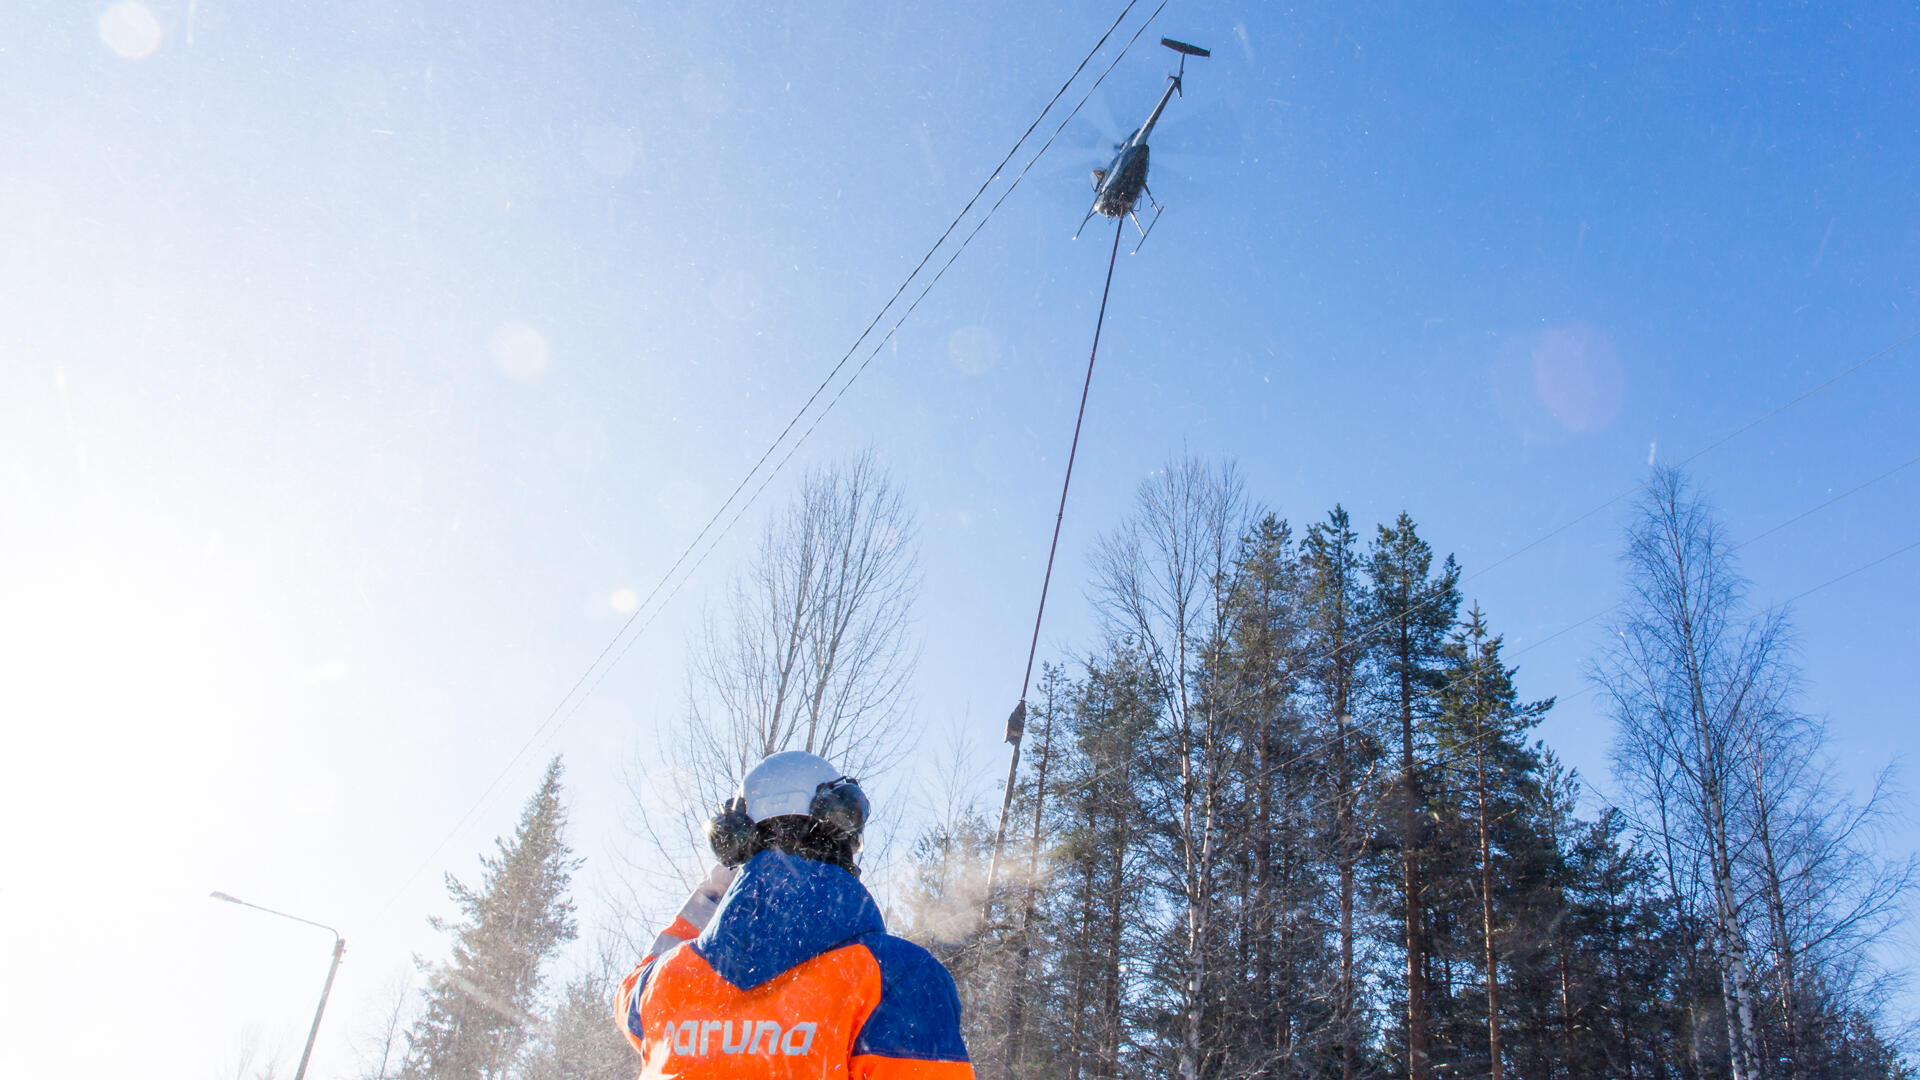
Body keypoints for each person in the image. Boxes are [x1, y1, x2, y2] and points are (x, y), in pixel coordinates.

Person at [617, 750, 974, 1080]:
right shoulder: (897, 978)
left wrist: (710, 897)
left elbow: (633, 989)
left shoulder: (663, 983)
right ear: (839, 833)